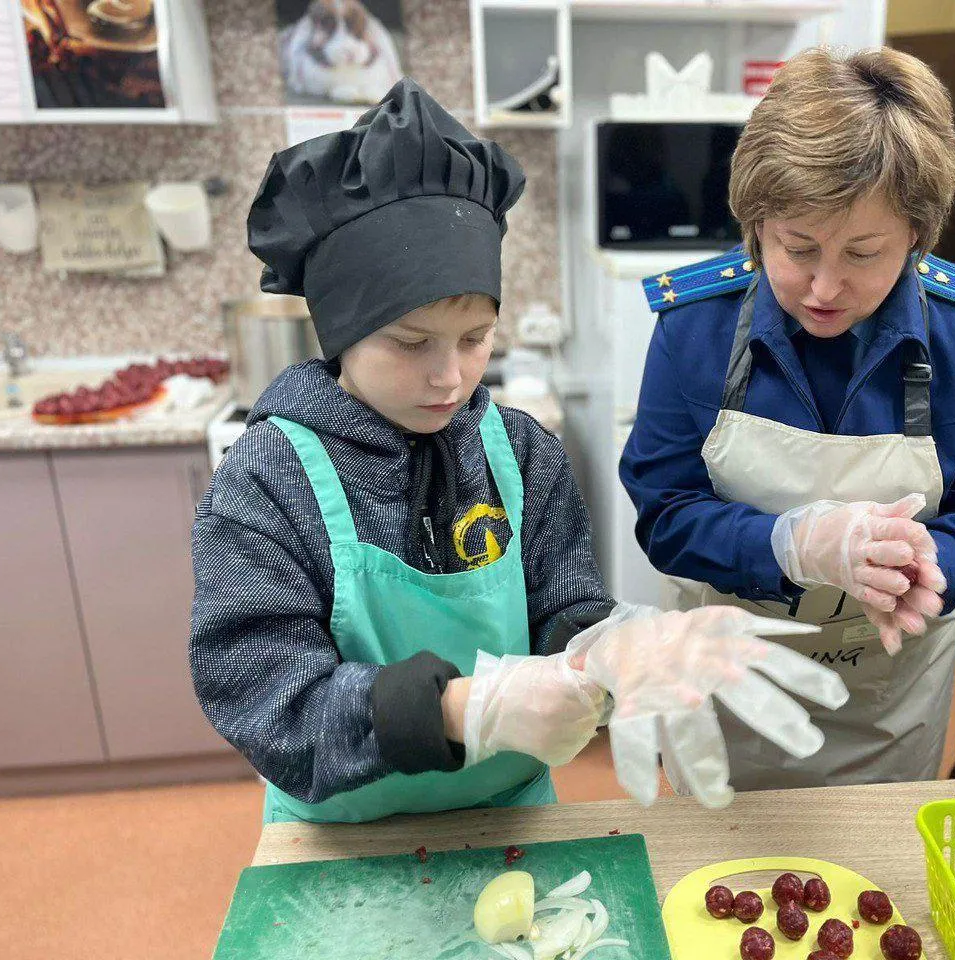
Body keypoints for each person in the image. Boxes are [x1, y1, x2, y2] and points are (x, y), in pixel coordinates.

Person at [189, 78, 848, 822]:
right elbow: (262, 696)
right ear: (338, 332)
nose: (451, 376)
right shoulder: (265, 482)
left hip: (510, 811)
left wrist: (605, 646)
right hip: (340, 834)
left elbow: (561, 607)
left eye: (476, 339)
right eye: (411, 344)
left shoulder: (522, 453)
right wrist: (461, 708)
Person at [619, 46, 955, 790]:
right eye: (798, 248)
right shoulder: (698, 327)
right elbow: (665, 513)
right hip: (725, 677)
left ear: (917, 235)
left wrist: (919, 566)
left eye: (863, 253)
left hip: (887, 699)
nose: (823, 286)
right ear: (756, 225)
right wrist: (788, 542)